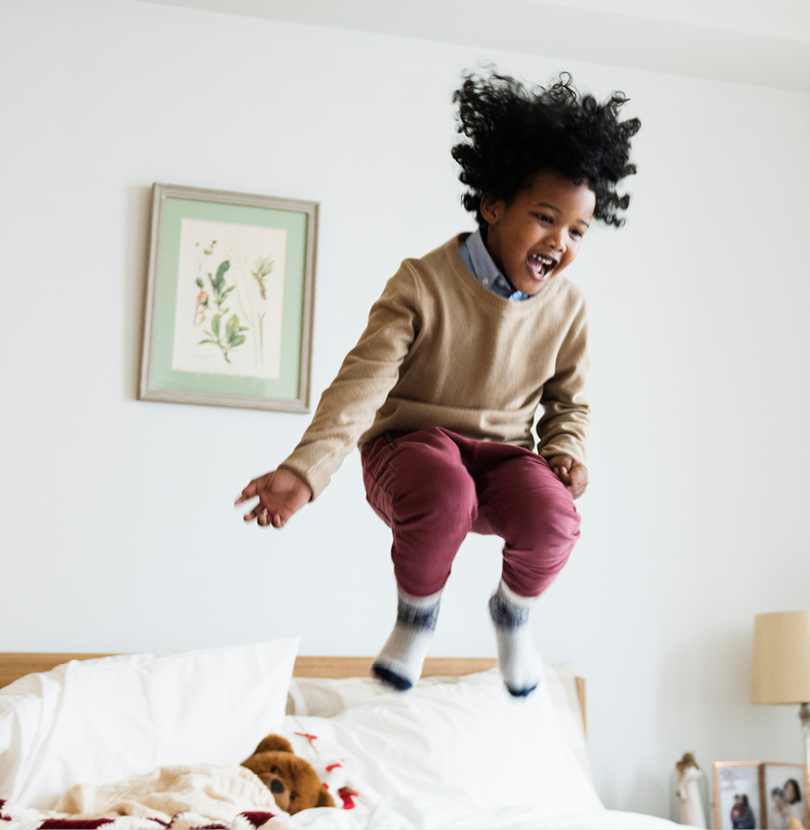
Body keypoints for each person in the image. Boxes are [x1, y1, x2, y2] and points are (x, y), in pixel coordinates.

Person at [234, 69, 639, 698]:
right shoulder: (420, 284)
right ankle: (416, 618)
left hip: (503, 458)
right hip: (411, 449)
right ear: (493, 204)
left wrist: (567, 451)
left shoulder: (569, 309)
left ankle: (514, 614)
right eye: (544, 218)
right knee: (446, 490)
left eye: (577, 231)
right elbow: (360, 387)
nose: (559, 242)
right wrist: (305, 471)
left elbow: (569, 403)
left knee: (557, 520)